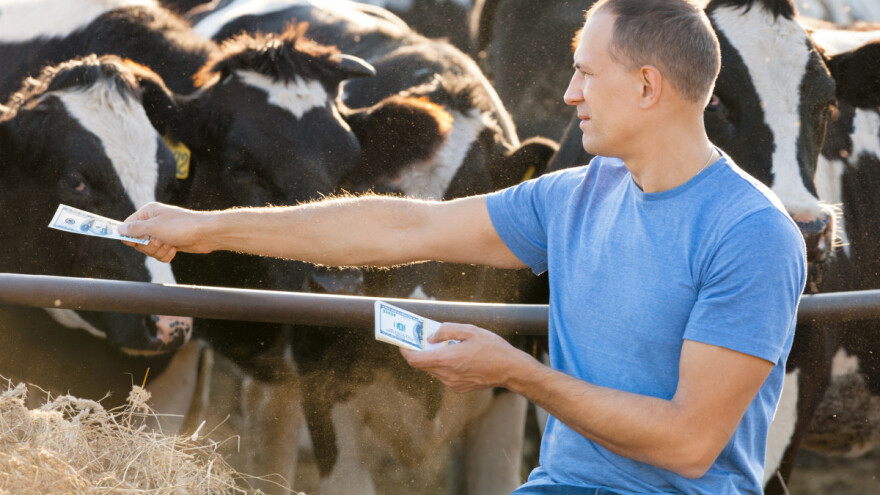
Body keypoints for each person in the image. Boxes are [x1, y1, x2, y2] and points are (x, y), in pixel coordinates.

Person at [119, 0, 806, 493]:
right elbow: (401, 226)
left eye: (588, 74)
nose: (568, 94)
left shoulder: (751, 233)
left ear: (648, 86)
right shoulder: (573, 195)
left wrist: (517, 371)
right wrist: (204, 228)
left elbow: (688, 444)